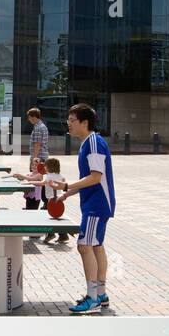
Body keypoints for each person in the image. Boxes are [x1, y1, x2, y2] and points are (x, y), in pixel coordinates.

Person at [58, 104, 115, 313]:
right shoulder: (89, 143)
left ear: (84, 122)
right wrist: (67, 193)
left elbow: (95, 177)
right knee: (97, 246)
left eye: (72, 120)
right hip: (97, 204)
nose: (68, 124)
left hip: (96, 206)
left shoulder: (93, 143)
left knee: (84, 246)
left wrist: (66, 186)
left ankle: (91, 297)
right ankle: (101, 293)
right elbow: (90, 179)